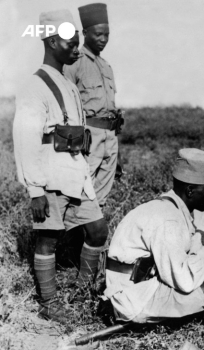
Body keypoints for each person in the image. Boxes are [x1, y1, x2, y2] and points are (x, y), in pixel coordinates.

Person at [13, 9, 109, 323]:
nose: (76, 47)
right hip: (50, 177)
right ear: (53, 41)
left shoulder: (66, 82)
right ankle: (49, 303)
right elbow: (26, 140)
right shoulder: (35, 85)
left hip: (74, 173)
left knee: (97, 230)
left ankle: (82, 292)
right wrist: (35, 190)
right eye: (71, 41)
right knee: (47, 239)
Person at [103, 149, 204, 324]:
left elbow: (193, 260)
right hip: (133, 298)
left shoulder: (176, 210)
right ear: (190, 190)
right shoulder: (168, 219)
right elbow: (185, 280)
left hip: (145, 285)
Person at [64, 3, 123, 208]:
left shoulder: (106, 66)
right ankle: (71, 239)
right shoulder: (74, 63)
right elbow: (65, 108)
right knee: (79, 196)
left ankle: (93, 240)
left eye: (107, 34)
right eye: (98, 34)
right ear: (85, 33)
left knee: (101, 200)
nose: (104, 39)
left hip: (110, 139)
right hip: (87, 139)